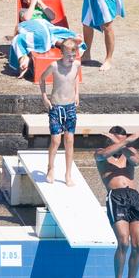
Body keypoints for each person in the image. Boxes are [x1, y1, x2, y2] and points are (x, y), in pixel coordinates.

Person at [96, 126, 139, 278]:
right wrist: (123, 141)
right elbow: (102, 156)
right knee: (123, 242)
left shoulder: (128, 153)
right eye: (114, 139)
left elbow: (136, 161)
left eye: (121, 139)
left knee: (138, 244)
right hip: (116, 197)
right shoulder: (102, 153)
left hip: (134, 197)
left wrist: (121, 141)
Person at [40, 37, 81, 186]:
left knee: (70, 140)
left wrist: (77, 94)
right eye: (69, 56)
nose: (71, 59)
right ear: (62, 53)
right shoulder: (54, 66)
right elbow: (41, 79)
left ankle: (68, 174)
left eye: (74, 55)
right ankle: (50, 168)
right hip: (56, 107)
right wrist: (44, 97)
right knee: (56, 140)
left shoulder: (76, 65)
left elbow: (76, 78)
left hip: (70, 107)